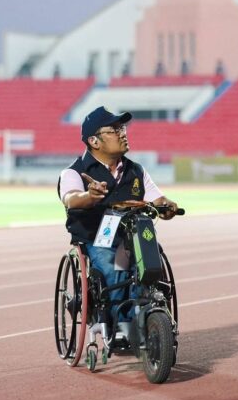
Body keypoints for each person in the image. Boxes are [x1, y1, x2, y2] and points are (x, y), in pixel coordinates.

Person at [58, 106, 179, 328]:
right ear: (94, 141)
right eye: (114, 130)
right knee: (115, 269)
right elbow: (71, 198)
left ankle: (149, 311)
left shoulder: (136, 171)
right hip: (98, 238)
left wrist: (168, 206)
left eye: (122, 128)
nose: (123, 133)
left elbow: (158, 200)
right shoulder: (74, 172)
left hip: (131, 236)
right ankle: (122, 325)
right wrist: (89, 196)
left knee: (150, 262)